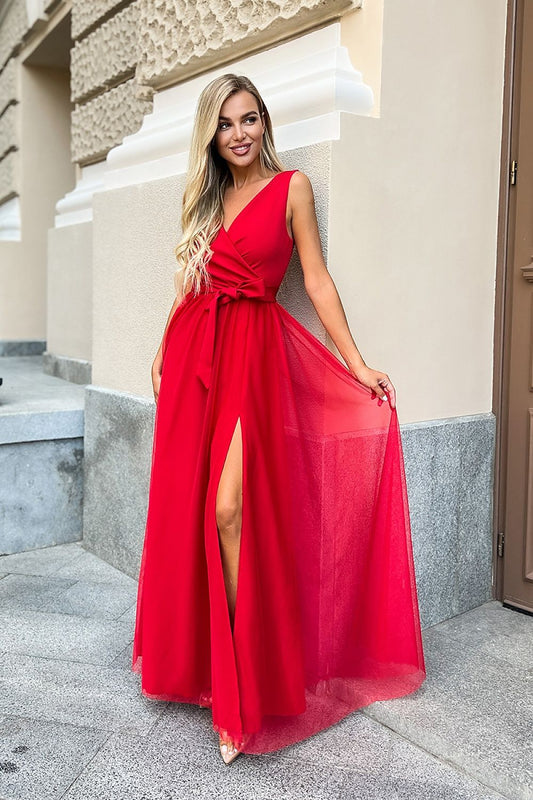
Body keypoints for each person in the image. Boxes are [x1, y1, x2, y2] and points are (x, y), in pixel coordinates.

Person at [132, 73, 426, 765]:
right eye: (226, 124)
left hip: (250, 360)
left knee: (228, 510)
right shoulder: (209, 198)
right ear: (212, 134)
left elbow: (315, 280)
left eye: (249, 119)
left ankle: (239, 685)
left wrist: (354, 363)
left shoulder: (291, 187)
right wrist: (159, 350)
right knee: (188, 512)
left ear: (264, 122)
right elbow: (192, 281)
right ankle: (208, 671)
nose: (238, 134)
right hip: (194, 354)